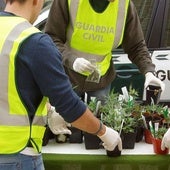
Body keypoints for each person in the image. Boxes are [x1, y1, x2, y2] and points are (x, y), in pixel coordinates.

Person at [0, 0, 122, 169]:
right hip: (17, 154)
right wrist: (103, 131)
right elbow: (69, 107)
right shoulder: (33, 41)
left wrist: (48, 109)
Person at [45, 0, 165, 105]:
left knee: (98, 126)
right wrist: (72, 61)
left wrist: (149, 72)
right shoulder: (69, 2)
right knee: (65, 126)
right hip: (66, 78)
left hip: (100, 83)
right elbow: (51, 38)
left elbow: (136, 46)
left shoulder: (124, 5)